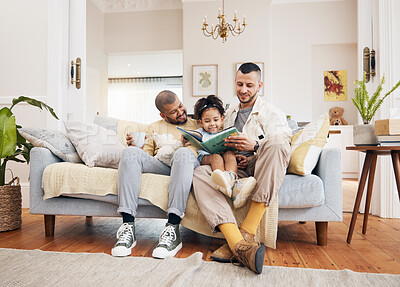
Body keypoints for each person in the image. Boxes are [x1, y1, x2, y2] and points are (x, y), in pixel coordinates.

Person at [192, 63, 292, 274]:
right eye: (239, 84)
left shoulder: (272, 113)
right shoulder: (228, 112)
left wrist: (254, 147)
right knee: (201, 172)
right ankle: (238, 244)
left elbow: (283, 146)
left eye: (249, 85)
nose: (243, 90)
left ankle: (246, 232)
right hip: (234, 166)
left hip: (259, 165)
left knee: (276, 144)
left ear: (259, 85)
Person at [111, 90, 200, 259]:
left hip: (186, 165)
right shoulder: (154, 127)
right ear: (163, 114)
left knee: (182, 153)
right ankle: (127, 226)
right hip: (162, 164)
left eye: (180, 106)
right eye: (173, 112)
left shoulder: (198, 124)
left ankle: (173, 227)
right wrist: (136, 147)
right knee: (130, 152)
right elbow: (147, 156)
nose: (181, 112)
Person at [191, 95, 256, 209]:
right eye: (207, 121)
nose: (212, 124)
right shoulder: (200, 132)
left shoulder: (224, 132)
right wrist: (188, 139)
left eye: (215, 120)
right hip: (206, 157)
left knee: (229, 154)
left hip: (222, 155)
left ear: (222, 119)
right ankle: (221, 181)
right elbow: (191, 137)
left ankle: (231, 180)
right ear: (201, 122)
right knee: (216, 157)